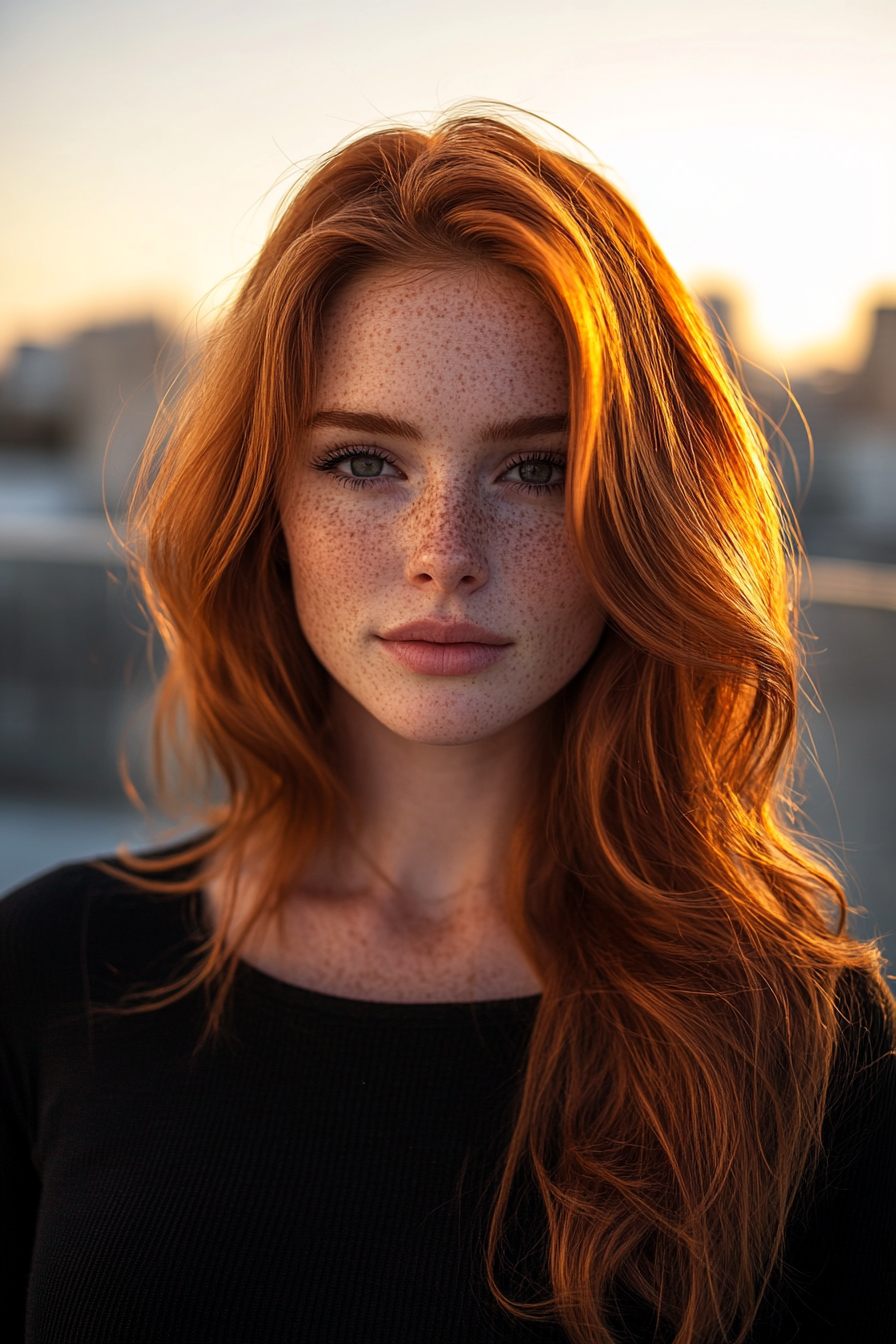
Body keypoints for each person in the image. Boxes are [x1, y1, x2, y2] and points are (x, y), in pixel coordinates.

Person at [1, 112, 894, 1344]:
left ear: (637, 516)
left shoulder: (810, 1047)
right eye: (364, 463)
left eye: (533, 469)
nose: (443, 558)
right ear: (269, 505)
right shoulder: (50, 971)